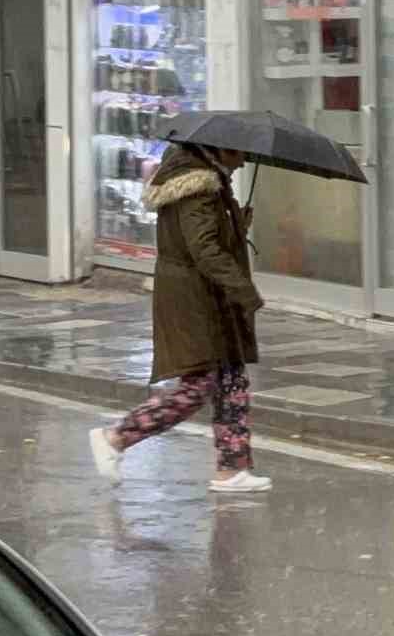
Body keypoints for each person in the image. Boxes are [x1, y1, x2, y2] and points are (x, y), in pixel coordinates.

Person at [90, 143, 270, 493]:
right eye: (239, 154)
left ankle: (231, 468)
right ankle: (116, 437)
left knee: (232, 378)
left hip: (208, 297)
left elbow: (206, 240)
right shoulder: (198, 187)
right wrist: (243, 290)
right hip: (194, 300)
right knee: (199, 385)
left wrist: (236, 225)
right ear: (221, 151)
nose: (245, 159)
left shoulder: (209, 183)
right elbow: (203, 249)